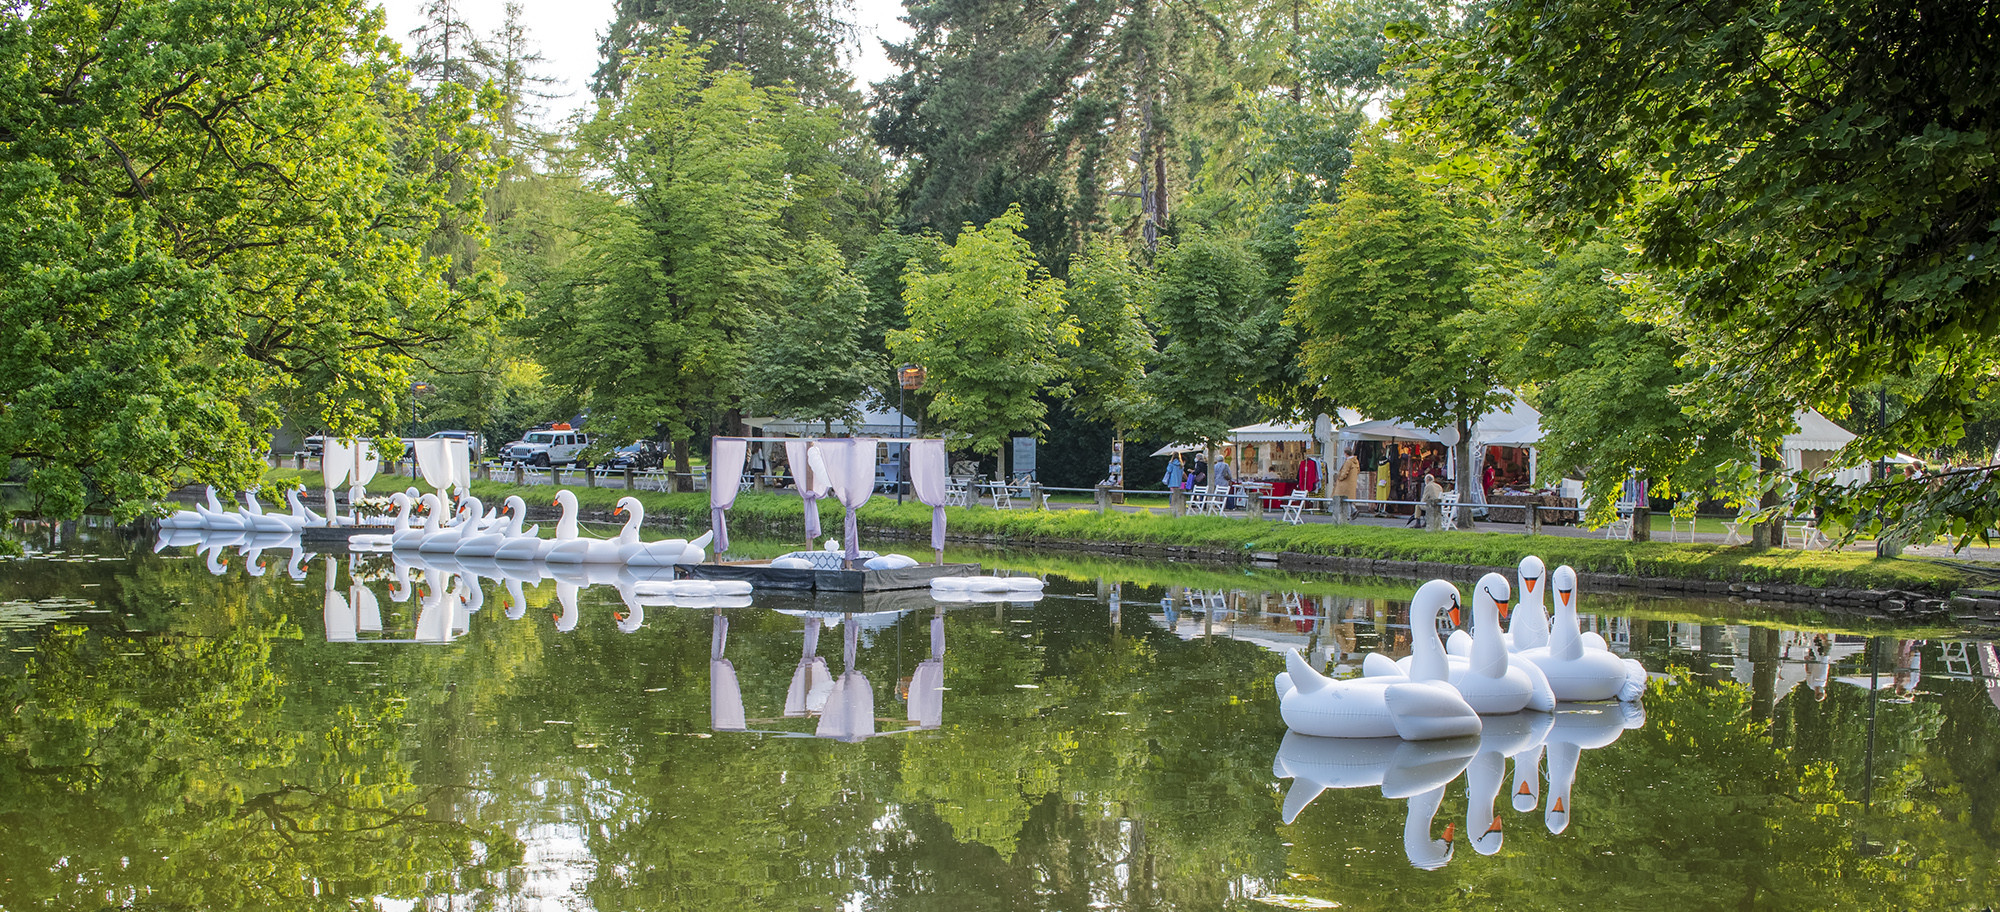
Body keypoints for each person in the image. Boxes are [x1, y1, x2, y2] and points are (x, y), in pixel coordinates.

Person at [1334, 447, 1361, 515]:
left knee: (1344, 498)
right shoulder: (1355, 461)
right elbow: (1358, 471)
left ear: (1345, 453)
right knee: (1349, 498)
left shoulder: (1348, 462)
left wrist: (1339, 478)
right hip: (1352, 483)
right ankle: (1352, 510)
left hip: (1345, 484)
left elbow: (1344, 473)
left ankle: (1349, 513)